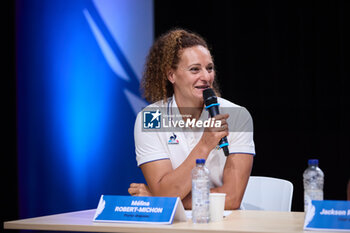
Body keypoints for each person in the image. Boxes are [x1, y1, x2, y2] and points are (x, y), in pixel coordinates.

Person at [128, 28, 255, 210]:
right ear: (171, 75)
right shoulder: (150, 117)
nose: (206, 77)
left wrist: (160, 198)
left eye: (209, 68)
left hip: (225, 223)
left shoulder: (237, 115)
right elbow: (165, 194)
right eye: (195, 69)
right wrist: (205, 144)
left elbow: (232, 199)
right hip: (172, 226)